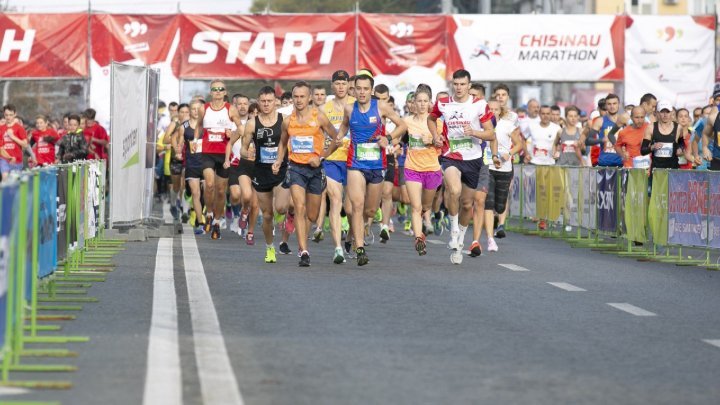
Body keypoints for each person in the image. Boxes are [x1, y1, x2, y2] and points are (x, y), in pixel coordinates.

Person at [427, 69, 496, 265]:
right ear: (452, 85)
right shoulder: (444, 103)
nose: (459, 88)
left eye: (462, 84)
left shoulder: (479, 105)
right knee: (453, 189)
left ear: (469, 85)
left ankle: (460, 239)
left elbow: (490, 134)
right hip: (451, 155)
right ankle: (454, 230)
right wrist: (435, 135)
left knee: (467, 204)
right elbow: (431, 119)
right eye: (455, 84)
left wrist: (473, 131)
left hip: (473, 158)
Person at [337, 74, 407, 266]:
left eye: (365, 89)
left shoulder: (381, 107)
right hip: (355, 163)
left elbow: (403, 125)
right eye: (358, 88)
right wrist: (336, 138)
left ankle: (352, 234)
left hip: (377, 164)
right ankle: (360, 249)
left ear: (371, 90)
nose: (361, 92)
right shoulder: (350, 109)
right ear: (354, 90)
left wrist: (389, 138)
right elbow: (343, 128)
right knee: (357, 206)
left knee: (369, 210)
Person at [273, 81, 338, 267]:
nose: (299, 100)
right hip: (296, 168)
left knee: (311, 214)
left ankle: (304, 241)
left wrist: (322, 157)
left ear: (309, 97)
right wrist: (279, 160)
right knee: (299, 208)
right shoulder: (288, 121)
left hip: (315, 170)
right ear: (292, 98)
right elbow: (282, 143)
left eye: (302, 96)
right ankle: (303, 250)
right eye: (296, 96)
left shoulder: (320, 117)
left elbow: (336, 139)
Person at [227, 87, 289, 259]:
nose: (266, 104)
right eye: (263, 101)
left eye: (269, 101)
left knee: (281, 208)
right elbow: (243, 151)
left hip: (281, 169)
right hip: (261, 172)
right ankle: (270, 248)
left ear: (275, 102)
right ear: (259, 102)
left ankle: (289, 215)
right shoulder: (252, 123)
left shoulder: (285, 120)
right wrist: (249, 154)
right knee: (267, 214)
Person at [193, 80, 245, 240]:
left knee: (221, 191)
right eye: (214, 89)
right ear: (210, 92)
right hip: (207, 152)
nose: (217, 91)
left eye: (220, 89)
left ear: (225, 92)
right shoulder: (204, 108)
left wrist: (233, 134)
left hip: (224, 154)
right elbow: (199, 126)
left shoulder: (231, 109)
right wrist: (195, 141)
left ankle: (216, 221)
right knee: (209, 185)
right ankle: (209, 213)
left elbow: (241, 128)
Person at [403, 84, 443, 255]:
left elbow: (442, 143)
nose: (421, 104)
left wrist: (433, 140)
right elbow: (397, 136)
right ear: (414, 103)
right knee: (416, 206)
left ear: (430, 103)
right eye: (418, 101)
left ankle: (425, 221)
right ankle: (419, 238)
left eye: (425, 101)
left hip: (432, 169)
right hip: (412, 168)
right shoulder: (407, 121)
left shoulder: (437, 122)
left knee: (426, 205)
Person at [321, 70, 356, 264]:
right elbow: (316, 133)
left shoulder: (356, 105)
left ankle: (350, 237)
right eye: (338, 83)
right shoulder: (325, 108)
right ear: (332, 85)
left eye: (344, 83)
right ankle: (337, 248)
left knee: (352, 208)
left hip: (354, 161)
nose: (341, 86)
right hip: (332, 159)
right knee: (335, 200)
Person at [483, 99, 523, 252]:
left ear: (500, 111)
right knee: (488, 201)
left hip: (504, 168)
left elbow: (519, 144)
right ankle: (490, 239)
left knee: (500, 206)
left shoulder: (507, 125)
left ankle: (496, 219)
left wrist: (509, 154)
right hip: (487, 167)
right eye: (490, 109)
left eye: (495, 109)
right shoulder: (481, 125)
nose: (492, 112)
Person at [174, 100, 206, 234]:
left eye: (199, 108)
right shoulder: (184, 126)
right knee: (195, 193)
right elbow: (180, 144)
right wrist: (178, 152)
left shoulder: (207, 125)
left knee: (207, 193)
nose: (196, 111)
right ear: (190, 110)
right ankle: (200, 222)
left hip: (206, 163)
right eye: (193, 108)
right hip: (192, 164)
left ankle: (208, 215)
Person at [642, 100, 692, 170]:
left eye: (667, 112)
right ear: (657, 113)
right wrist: (652, 147)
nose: (665, 115)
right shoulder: (651, 127)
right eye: (662, 112)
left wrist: (680, 149)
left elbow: (681, 143)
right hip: (657, 170)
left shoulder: (678, 127)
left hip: (673, 169)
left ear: (671, 113)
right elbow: (643, 151)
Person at [0, 104, 27, 177]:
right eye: (6, 115)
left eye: (10, 115)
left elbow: (25, 144)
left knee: (14, 182)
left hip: (17, 161)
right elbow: (1, 148)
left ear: (15, 114)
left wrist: (13, 136)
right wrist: (9, 157)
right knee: (5, 176)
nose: (8, 117)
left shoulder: (19, 128)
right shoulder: (1, 128)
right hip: (4, 160)